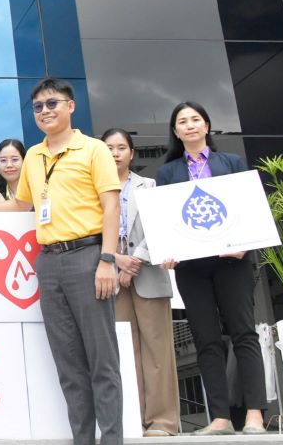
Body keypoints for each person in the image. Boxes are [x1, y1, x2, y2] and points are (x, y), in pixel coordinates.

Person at [0, 78, 123, 445]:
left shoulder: (93, 149)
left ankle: (112, 439)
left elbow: (111, 206)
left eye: (52, 103)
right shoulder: (33, 155)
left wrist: (107, 259)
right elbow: (22, 204)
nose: (45, 111)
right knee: (68, 363)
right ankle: (83, 440)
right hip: (48, 263)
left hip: (88, 257)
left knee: (102, 361)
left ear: (70, 106)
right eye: (38, 107)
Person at [156, 102, 267, 436]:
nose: (190, 125)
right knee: (206, 340)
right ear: (176, 132)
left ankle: (254, 413)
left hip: (232, 261)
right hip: (191, 268)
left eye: (195, 119)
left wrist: (245, 243)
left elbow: (250, 208)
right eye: (182, 122)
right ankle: (220, 417)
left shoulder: (231, 163)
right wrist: (167, 251)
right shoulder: (168, 172)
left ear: (206, 126)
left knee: (243, 333)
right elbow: (166, 220)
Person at [103, 128, 179, 438]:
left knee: (157, 350)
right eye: (109, 148)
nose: (115, 153)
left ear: (132, 153)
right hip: (111, 277)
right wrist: (116, 261)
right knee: (124, 350)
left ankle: (162, 421)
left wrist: (134, 261)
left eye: (121, 147)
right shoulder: (93, 191)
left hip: (147, 273)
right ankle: (134, 419)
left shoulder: (149, 185)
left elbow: (158, 226)